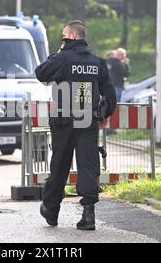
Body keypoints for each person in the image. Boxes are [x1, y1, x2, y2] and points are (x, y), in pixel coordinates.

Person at [35, 20, 116, 231]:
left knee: (60, 165)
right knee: (88, 165)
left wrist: (57, 54)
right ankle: (88, 216)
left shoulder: (62, 58)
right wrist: (103, 113)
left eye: (63, 37)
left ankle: (51, 211)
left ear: (70, 37)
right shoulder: (96, 62)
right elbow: (111, 95)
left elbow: (40, 73)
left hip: (64, 119)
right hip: (88, 119)